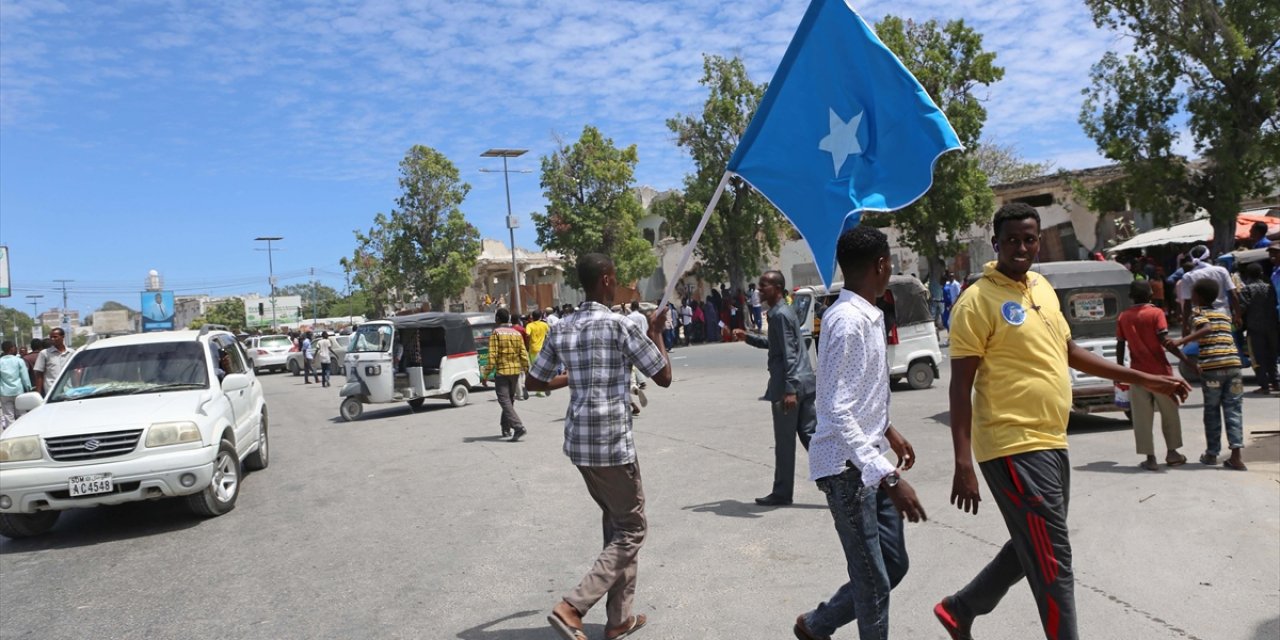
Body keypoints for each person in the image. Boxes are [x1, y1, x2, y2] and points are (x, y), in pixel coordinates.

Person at [935, 203, 1189, 640]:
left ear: (1038, 241)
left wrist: (1144, 377)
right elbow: (960, 388)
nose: (1021, 246)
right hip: (1011, 444)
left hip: (1053, 438)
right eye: (1011, 239)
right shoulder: (976, 302)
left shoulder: (1042, 287)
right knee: (1053, 557)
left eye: (1029, 238)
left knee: (1035, 542)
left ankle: (961, 608)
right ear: (996, 245)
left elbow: (1069, 352)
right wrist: (963, 463)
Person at [528, 253, 672, 640]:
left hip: (580, 445)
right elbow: (664, 376)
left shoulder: (562, 327)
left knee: (617, 525)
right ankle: (572, 606)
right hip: (612, 444)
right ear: (606, 280)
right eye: (617, 277)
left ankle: (619, 619)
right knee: (632, 529)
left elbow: (534, 382)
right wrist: (657, 330)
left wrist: (574, 376)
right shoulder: (620, 326)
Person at [793, 227, 926, 640]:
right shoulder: (847, 321)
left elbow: (855, 392)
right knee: (873, 583)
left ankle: (818, 624)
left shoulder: (866, 314)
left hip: (868, 458)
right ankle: (822, 626)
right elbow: (833, 407)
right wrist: (888, 476)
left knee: (892, 565)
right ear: (882, 265)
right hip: (847, 469)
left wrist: (888, 429)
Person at [732, 270, 817, 507]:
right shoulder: (784, 311)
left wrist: (789, 390)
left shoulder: (779, 314)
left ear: (778, 288)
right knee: (813, 438)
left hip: (789, 388)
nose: (759, 290)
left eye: (764, 286)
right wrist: (748, 337)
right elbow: (777, 344)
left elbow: (789, 354)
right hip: (805, 382)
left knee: (785, 443)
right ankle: (841, 480)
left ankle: (782, 492)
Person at [1115, 281, 1194, 470]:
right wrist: (1186, 360)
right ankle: (1173, 453)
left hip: (1137, 374)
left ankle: (1150, 458)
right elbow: (1164, 340)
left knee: (1142, 417)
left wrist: (1119, 370)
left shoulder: (1124, 317)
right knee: (1170, 414)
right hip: (1161, 374)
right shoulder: (1156, 313)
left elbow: (1120, 345)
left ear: (1131, 297)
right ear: (1151, 294)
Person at [1175, 278, 1247, 470]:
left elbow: (1206, 329)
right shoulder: (1224, 314)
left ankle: (1212, 453)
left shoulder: (1198, 312)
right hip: (1234, 367)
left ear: (1197, 297)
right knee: (1234, 410)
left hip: (1213, 370)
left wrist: (1181, 341)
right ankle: (1236, 456)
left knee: (1212, 411)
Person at [483, 308, 529, 441]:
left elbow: (492, 356)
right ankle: (506, 427)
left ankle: (518, 426)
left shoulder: (496, 333)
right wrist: (526, 370)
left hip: (502, 372)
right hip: (515, 371)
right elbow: (523, 353)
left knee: (504, 400)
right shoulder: (516, 333)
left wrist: (486, 375)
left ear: (497, 319)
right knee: (509, 400)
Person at [1237, 262, 1279, 394]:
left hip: (1255, 328)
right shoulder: (1269, 287)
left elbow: (1243, 307)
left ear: (1247, 275)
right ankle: (1275, 382)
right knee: (1272, 356)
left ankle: (1264, 385)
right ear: (1261, 274)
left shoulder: (1246, 289)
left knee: (1258, 357)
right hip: (1272, 326)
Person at [1177, 245, 1239, 332]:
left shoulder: (1188, 276)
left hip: (1201, 318)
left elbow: (1187, 303)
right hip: (1223, 314)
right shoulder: (1221, 271)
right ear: (1208, 256)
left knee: (1206, 344)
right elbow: (1233, 294)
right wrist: (1238, 315)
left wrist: (1185, 326)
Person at [1, 341, 33, 430]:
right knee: (21, 414)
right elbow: (25, 377)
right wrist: (28, 388)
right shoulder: (19, 361)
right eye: (15, 347)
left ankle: (11, 433)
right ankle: (22, 431)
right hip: (19, 391)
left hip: (4, 393)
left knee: (8, 415)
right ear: (11, 348)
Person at [33, 328, 75, 396]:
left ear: (62, 337)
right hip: (52, 392)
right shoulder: (44, 353)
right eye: (51, 337)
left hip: (69, 390)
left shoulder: (71, 352)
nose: (52, 339)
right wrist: (38, 394)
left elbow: (75, 372)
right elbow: (39, 375)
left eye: (55, 337)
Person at [525, 311, 551, 397]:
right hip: (543, 350)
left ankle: (539, 390)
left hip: (533, 350)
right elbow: (549, 334)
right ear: (540, 316)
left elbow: (527, 335)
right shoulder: (544, 325)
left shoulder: (529, 325)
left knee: (536, 371)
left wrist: (527, 345)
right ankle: (546, 385)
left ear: (532, 317)